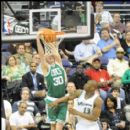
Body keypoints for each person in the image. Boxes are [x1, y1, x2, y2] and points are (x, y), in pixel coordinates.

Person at [36, 34, 68, 130]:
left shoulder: (59, 63)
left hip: (62, 99)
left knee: (59, 126)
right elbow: (41, 54)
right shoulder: (46, 68)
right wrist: (39, 40)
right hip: (51, 100)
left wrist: (48, 42)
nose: (49, 55)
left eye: (50, 54)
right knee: (53, 126)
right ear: (45, 59)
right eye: (47, 55)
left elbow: (54, 51)